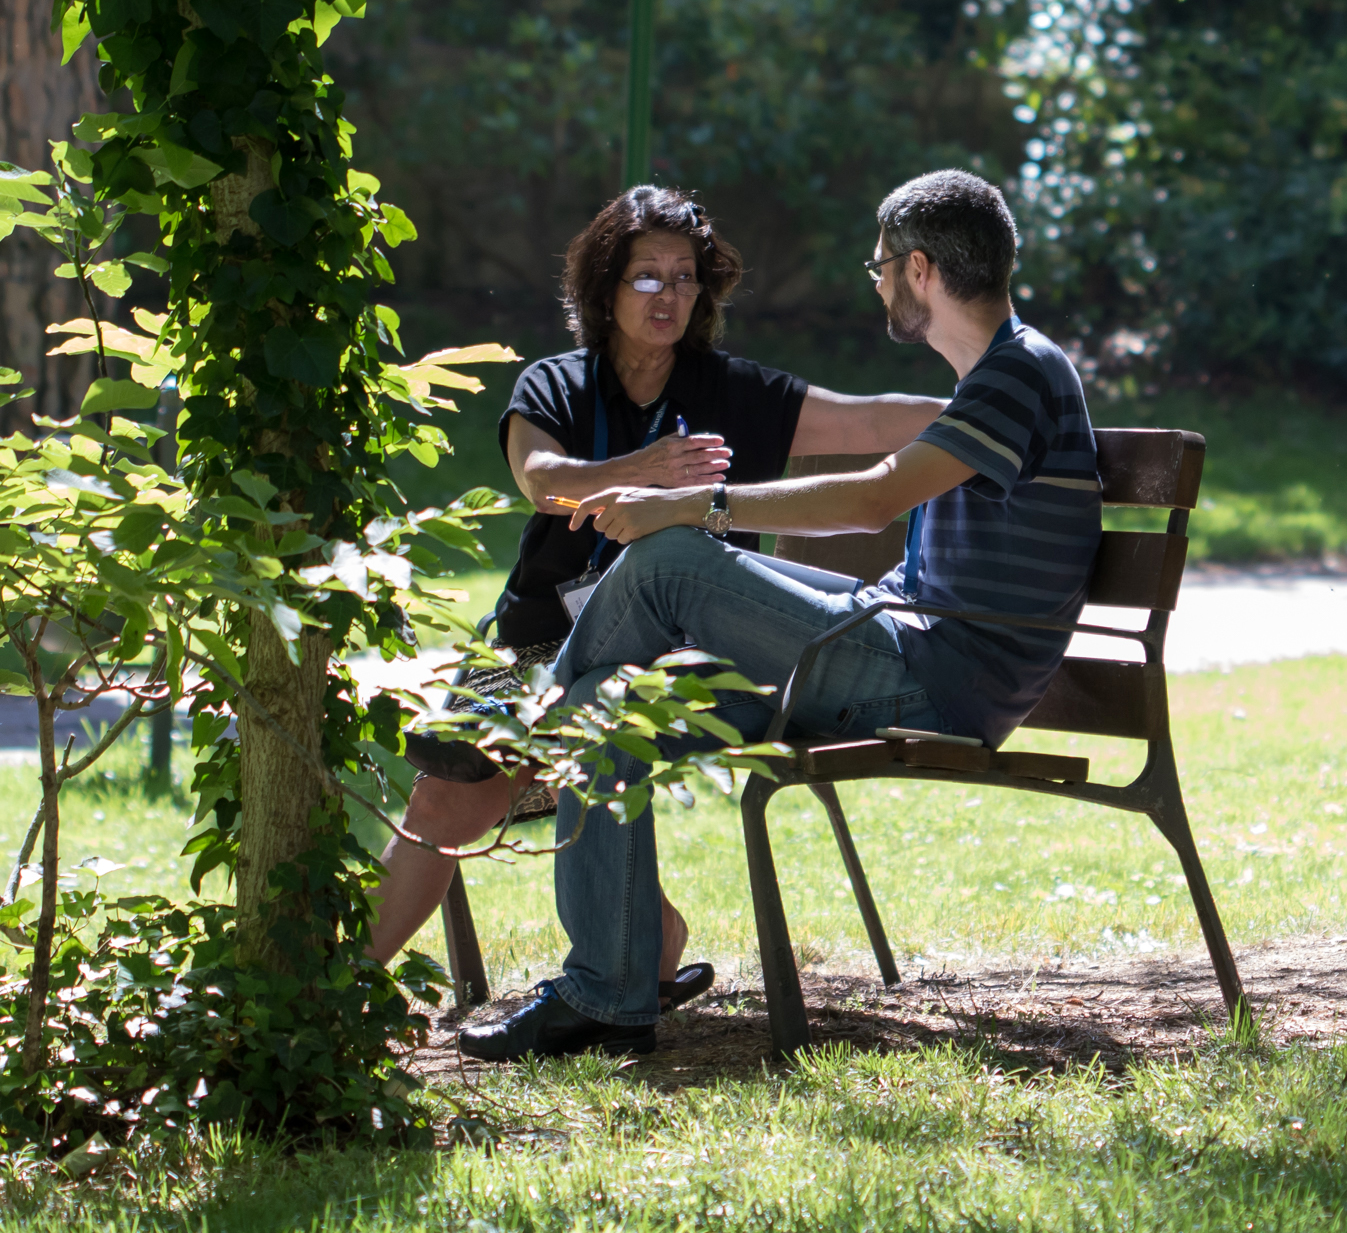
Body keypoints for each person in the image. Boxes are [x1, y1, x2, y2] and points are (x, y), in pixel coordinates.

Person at [457, 168, 1101, 1061]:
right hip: (902, 645)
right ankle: (608, 991)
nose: (874, 282)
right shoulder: (1001, 377)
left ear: (918, 270)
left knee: (671, 559)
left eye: (878, 266)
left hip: (936, 682)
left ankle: (523, 737)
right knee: (608, 710)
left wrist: (694, 505)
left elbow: (878, 500)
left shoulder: (1017, 373)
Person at [364, 185, 945, 997]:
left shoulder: (730, 392)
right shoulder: (556, 383)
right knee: (446, 798)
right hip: (535, 640)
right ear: (604, 287)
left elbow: (869, 421)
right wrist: (644, 471)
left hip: (672, 657)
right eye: (646, 277)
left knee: (492, 766)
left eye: (684, 277)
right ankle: (336, 1000)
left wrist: (1008, 407)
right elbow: (543, 482)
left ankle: (633, 944)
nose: (667, 295)